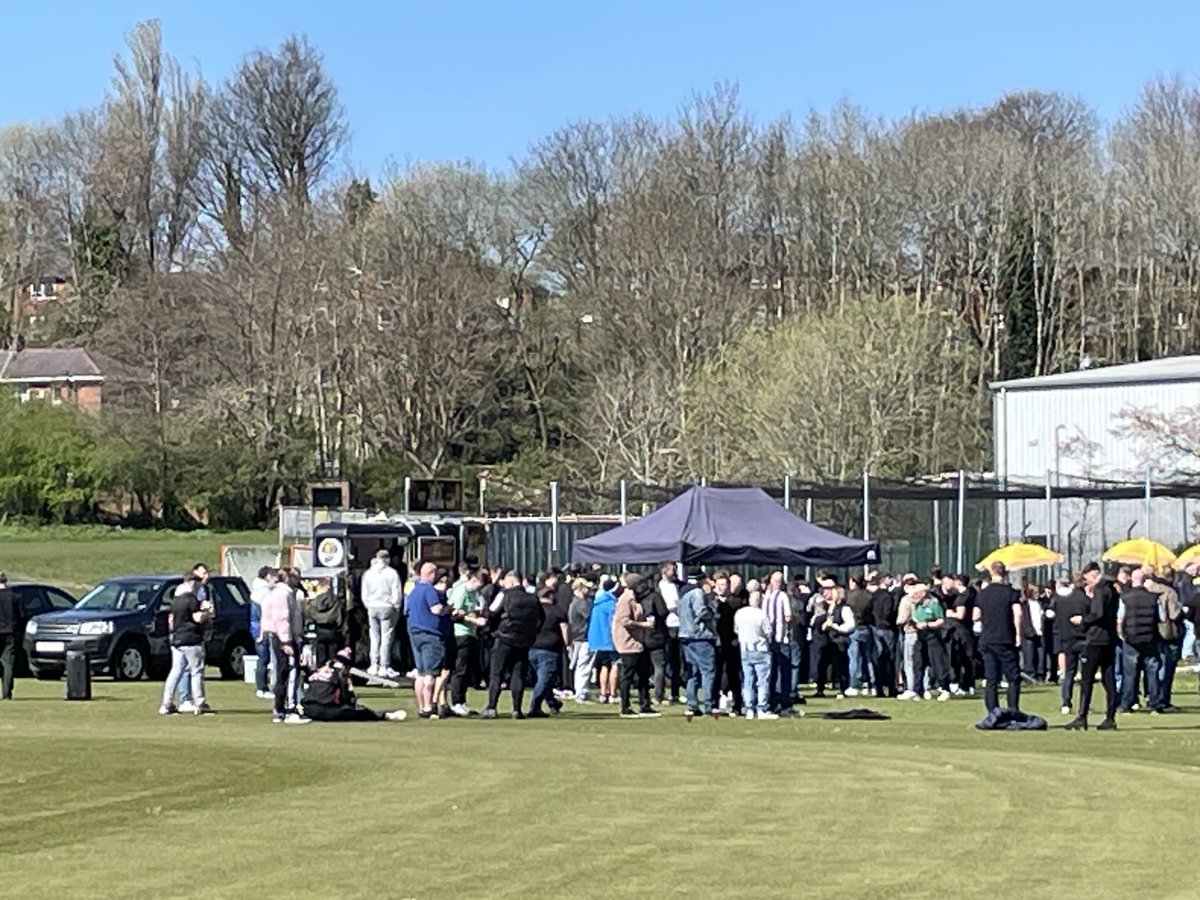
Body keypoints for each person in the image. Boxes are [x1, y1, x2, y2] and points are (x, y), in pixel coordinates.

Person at [1066, 562, 1120, 731]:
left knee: (1086, 679)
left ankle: (1082, 717)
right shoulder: (1112, 589)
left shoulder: (1099, 590)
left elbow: (1098, 613)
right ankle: (1110, 717)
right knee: (1108, 678)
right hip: (1110, 638)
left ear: (1093, 575)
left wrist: (1083, 619)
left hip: (1096, 638)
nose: (1086, 582)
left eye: (1087, 578)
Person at [484, 570, 544, 719]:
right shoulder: (533, 598)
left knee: (496, 673)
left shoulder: (505, 594)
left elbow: (491, 612)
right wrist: (532, 633)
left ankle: (492, 707)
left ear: (511, 581)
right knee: (518, 674)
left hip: (504, 638)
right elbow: (541, 618)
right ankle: (517, 709)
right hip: (523, 640)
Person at [302, 647, 408, 722]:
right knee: (355, 711)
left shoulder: (319, 670)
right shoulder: (340, 673)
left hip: (307, 709)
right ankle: (383, 715)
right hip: (324, 709)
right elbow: (346, 697)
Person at [159, 578, 214, 716]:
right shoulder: (191, 600)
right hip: (191, 639)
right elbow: (197, 618)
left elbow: (171, 622)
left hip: (177, 640)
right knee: (197, 671)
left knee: (175, 671)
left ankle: (167, 703)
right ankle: (200, 703)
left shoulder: (175, 601)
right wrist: (208, 612)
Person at [973, 562, 1023, 713]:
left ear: (990, 573)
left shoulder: (982, 594)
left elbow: (976, 616)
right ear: (1005, 573)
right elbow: (1018, 614)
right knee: (1013, 677)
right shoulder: (1011, 593)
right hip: (1005, 638)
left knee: (991, 678)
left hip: (988, 639)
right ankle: (1013, 709)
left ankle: (992, 711)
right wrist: (1018, 635)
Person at [261, 568, 308, 724]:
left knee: (283, 673)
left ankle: (281, 709)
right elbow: (281, 619)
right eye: (295, 577)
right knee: (289, 672)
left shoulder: (280, 592)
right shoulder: (283, 593)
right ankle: (288, 709)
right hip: (283, 637)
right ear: (287, 577)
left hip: (280, 636)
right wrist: (286, 642)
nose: (297, 580)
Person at [1117, 568, 1165, 715]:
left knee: (1130, 673)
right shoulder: (1153, 598)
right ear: (1145, 581)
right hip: (1150, 638)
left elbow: (1120, 618)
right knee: (1152, 672)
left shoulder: (1125, 598)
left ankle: (1127, 704)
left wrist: (1121, 634)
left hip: (1131, 638)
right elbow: (1162, 618)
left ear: (1132, 579)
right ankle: (1155, 704)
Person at [406, 563, 448, 719]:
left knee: (421, 673)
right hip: (430, 633)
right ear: (431, 574)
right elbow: (435, 609)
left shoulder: (413, 590)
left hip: (415, 633)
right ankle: (429, 706)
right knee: (430, 673)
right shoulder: (429, 590)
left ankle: (421, 706)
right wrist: (447, 609)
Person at [613, 574, 658, 718]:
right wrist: (643, 625)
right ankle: (625, 707)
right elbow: (624, 620)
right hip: (628, 643)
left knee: (643, 674)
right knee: (627, 675)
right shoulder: (626, 599)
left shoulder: (636, 598)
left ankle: (645, 705)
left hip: (638, 642)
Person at [447, 569, 486, 717]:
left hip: (471, 633)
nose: (479, 589)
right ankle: (456, 702)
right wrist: (475, 620)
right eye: (479, 585)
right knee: (460, 669)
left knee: (468, 669)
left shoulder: (472, 593)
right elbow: (455, 613)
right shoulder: (461, 591)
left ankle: (462, 701)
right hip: (460, 634)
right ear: (474, 580)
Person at [734, 583, 776, 719]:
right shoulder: (762, 614)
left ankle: (749, 709)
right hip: (760, 649)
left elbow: (737, 630)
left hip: (745, 649)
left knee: (748, 680)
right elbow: (768, 633)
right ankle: (762, 708)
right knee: (762, 681)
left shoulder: (740, 613)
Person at [528, 587, 569, 717]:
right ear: (550, 596)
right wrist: (567, 644)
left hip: (532, 647)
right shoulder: (557, 610)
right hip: (550, 648)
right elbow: (565, 629)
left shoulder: (533, 610)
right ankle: (535, 707)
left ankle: (552, 703)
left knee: (543, 678)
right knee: (544, 679)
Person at [361, 549, 402, 679]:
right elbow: (396, 591)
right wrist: (396, 606)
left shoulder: (368, 573)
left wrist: (367, 604)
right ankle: (384, 666)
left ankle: (374, 664)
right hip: (387, 606)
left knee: (374, 636)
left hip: (372, 606)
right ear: (387, 559)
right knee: (386, 637)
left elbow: (364, 593)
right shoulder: (392, 573)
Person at [1052, 576, 1089, 716]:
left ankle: (1066, 702)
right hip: (1083, 638)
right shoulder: (1085, 600)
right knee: (1086, 674)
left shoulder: (1061, 600)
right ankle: (1084, 703)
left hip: (1067, 638)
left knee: (1068, 672)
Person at [762, 570, 797, 715]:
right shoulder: (782, 596)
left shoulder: (766, 596)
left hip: (770, 639)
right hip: (780, 639)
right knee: (784, 671)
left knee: (773, 672)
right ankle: (784, 703)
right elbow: (788, 616)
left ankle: (772, 702)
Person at [913, 584, 950, 702]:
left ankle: (944, 688)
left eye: (916, 593)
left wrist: (928, 624)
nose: (914, 596)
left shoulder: (934, 604)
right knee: (918, 663)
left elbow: (941, 620)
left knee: (937, 663)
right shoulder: (916, 605)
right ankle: (918, 690)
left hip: (933, 637)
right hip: (920, 637)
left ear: (923, 593)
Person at [587, 577, 619, 703]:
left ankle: (602, 693)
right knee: (615, 665)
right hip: (609, 639)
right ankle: (612, 694)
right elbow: (613, 623)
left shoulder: (596, 604)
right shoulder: (611, 605)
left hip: (597, 640)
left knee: (604, 666)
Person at [945, 573, 976, 697]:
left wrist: (948, 613)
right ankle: (969, 684)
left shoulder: (963, 596)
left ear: (958, 582)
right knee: (968, 657)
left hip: (961, 630)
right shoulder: (972, 593)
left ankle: (964, 684)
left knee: (962, 657)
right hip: (968, 629)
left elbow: (960, 615)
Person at [869, 573, 899, 698]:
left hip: (875, 627)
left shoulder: (873, 596)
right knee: (890, 659)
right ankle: (892, 687)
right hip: (886, 628)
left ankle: (879, 688)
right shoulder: (887, 596)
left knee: (877, 659)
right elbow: (888, 612)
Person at [304, 576, 344, 668]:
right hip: (332, 629)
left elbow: (310, 615)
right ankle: (332, 676)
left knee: (320, 656)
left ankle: (320, 675)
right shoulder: (335, 600)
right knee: (333, 657)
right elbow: (340, 616)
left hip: (319, 629)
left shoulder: (315, 601)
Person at [844, 575, 874, 697]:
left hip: (855, 628)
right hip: (867, 628)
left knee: (854, 658)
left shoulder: (851, 596)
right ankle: (871, 684)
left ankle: (854, 685)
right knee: (868, 658)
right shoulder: (869, 595)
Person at [658, 562, 684, 705]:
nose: (674, 574)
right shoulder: (660, 586)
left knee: (677, 662)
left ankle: (675, 692)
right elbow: (667, 606)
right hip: (668, 625)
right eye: (672, 571)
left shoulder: (678, 585)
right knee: (666, 660)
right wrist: (677, 605)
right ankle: (661, 692)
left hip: (679, 624)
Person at [567, 577, 595, 702]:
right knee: (583, 666)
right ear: (580, 588)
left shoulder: (574, 602)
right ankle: (581, 693)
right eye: (586, 587)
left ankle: (582, 691)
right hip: (583, 637)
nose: (588, 589)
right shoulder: (581, 603)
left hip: (577, 636)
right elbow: (590, 615)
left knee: (581, 665)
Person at [249, 566, 273, 700]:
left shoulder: (257, 590)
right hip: (261, 629)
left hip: (258, 628)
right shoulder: (264, 592)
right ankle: (262, 687)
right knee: (263, 658)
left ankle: (262, 687)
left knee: (263, 658)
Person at [0, 572, 16, 701]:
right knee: (8, 663)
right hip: (9, 632)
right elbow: (21, 614)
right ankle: (6, 693)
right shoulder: (14, 596)